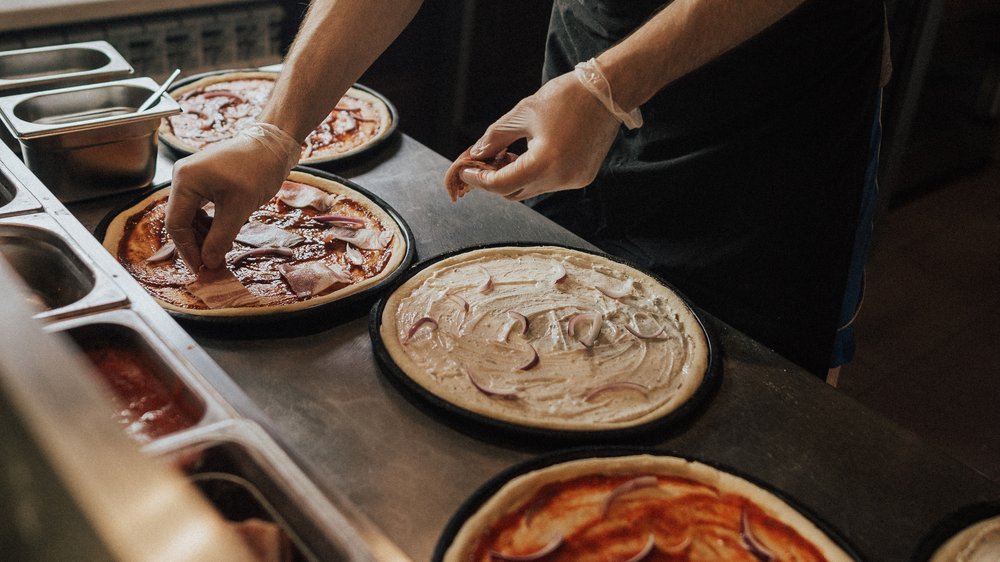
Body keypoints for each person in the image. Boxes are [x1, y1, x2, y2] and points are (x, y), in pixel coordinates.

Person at [166, 0, 888, 381]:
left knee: (753, 404)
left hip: (774, 114)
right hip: (588, 65)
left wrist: (612, 88)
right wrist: (276, 133)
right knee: (542, 349)